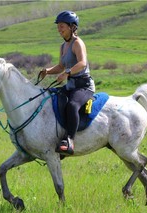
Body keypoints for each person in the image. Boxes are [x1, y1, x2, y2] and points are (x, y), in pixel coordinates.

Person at [40, 10, 95, 155]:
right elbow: (60, 66)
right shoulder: (63, 46)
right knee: (51, 97)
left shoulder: (78, 43)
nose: (59, 30)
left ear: (72, 27)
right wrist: (48, 71)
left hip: (84, 86)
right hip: (71, 86)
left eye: (62, 26)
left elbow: (82, 63)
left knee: (72, 105)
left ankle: (70, 140)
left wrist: (66, 73)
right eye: (58, 27)